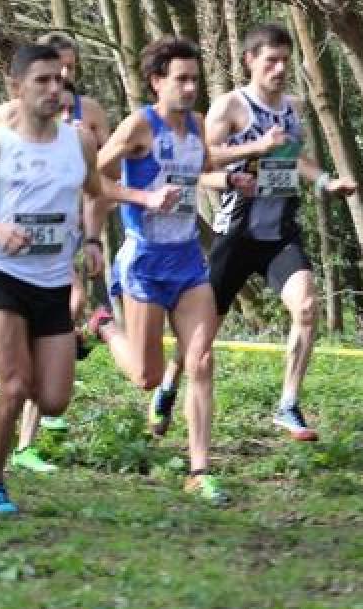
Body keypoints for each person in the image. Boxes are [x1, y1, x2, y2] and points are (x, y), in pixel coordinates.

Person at [0, 43, 103, 514]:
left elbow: (95, 193)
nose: (55, 90)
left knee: (52, 400)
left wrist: (92, 240)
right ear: (16, 87)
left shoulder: (80, 142)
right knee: (13, 387)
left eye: (60, 81)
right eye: (43, 81)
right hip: (3, 276)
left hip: (53, 283)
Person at [89, 37, 254, 505]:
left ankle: (199, 469)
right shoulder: (139, 125)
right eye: (180, 79)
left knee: (201, 360)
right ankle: (103, 327)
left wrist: (230, 179)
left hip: (185, 259)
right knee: (145, 376)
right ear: (157, 81)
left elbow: (199, 170)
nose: (189, 87)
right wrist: (142, 198)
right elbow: (93, 178)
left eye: (194, 79)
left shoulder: (199, 126)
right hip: (144, 260)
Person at [189, 23, 355, 441]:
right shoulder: (230, 107)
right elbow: (201, 165)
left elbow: (296, 157)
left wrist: (324, 183)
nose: (280, 69)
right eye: (271, 61)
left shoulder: (295, 108)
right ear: (250, 61)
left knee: (306, 307)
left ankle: (288, 404)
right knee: (202, 335)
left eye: (285, 60)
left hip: (279, 233)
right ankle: (172, 384)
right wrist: (254, 150)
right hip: (236, 234)